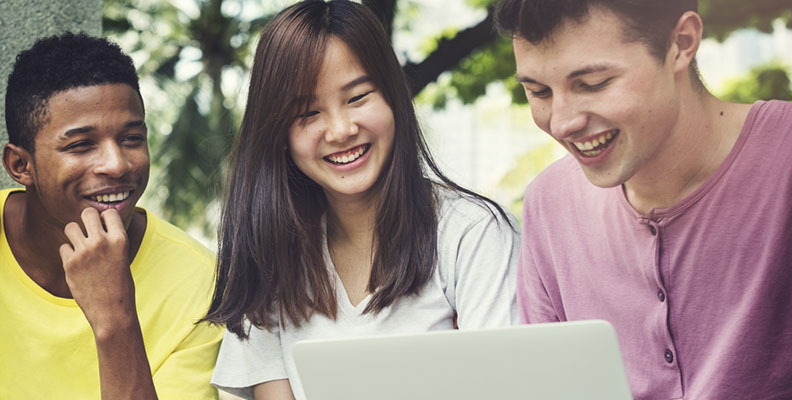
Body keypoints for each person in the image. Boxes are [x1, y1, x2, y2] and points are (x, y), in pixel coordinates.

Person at [203, 1, 520, 399]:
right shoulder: (269, 255)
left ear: (393, 95)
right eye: (307, 113)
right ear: (278, 134)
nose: (340, 129)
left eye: (357, 97)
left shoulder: (473, 234)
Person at [494, 0, 792, 399]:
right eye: (539, 92)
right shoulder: (549, 203)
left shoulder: (789, 157)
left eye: (593, 83)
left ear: (681, 42)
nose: (562, 122)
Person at [1, 32, 223, 399]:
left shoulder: (200, 285)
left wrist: (114, 321)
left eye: (131, 138)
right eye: (81, 145)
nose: (117, 164)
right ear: (20, 165)